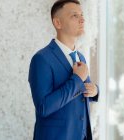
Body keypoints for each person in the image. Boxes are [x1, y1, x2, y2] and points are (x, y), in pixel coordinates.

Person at [28, 0, 99, 140]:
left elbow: (81, 93)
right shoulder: (41, 59)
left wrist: (95, 91)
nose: (82, 19)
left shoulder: (81, 58)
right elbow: (43, 107)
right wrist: (77, 79)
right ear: (58, 23)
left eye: (82, 15)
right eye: (74, 16)